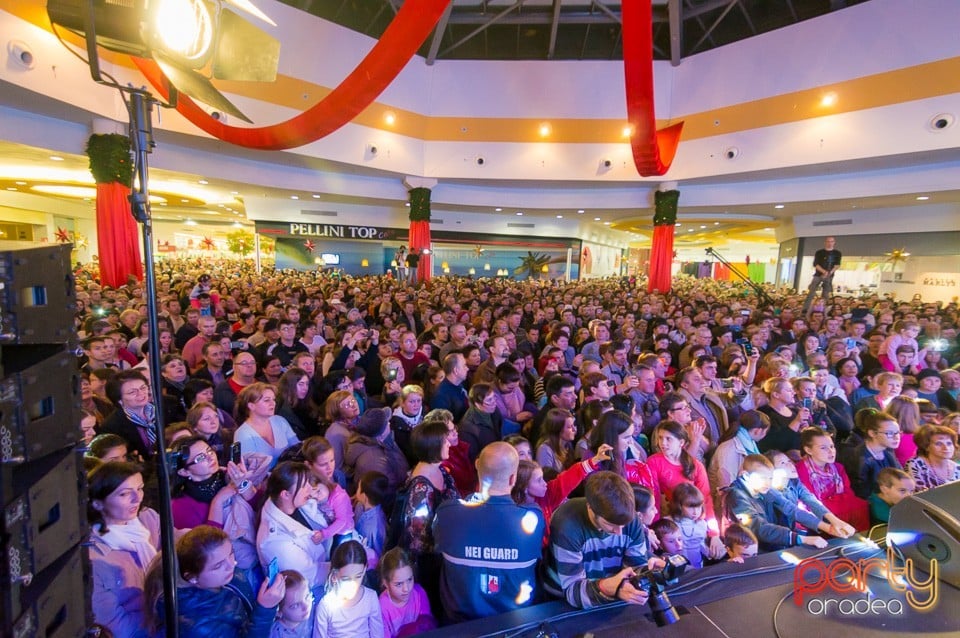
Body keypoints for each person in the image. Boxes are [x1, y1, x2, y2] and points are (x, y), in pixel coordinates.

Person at [433, 441, 545, 621]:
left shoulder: (447, 513)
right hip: (515, 624)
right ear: (512, 479)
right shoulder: (534, 518)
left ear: (478, 469)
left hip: (458, 625)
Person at [543, 471, 663, 608]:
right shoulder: (566, 524)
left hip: (612, 593)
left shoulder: (630, 518)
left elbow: (635, 567)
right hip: (561, 603)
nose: (619, 533)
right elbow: (572, 592)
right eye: (611, 524)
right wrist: (608, 588)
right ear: (590, 508)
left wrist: (652, 573)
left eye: (624, 525)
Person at [161, 525, 284, 638]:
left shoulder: (225, 577)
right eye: (218, 565)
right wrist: (265, 610)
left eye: (231, 554)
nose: (232, 564)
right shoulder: (198, 626)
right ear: (192, 577)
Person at [88, 461, 159, 638]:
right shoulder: (94, 556)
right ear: (98, 503)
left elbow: (179, 544)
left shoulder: (146, 518)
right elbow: (114, 625)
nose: (138, 498)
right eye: (125, 494)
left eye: (140, 488)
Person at [723, 454, 830, 552]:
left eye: (770, 478)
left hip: (772, 546)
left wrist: (827, 526)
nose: (768, 483)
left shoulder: (765, 488)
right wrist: (801, 539)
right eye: (762, 478)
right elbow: (759, 528)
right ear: (745, 475)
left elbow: (790, 508)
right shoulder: (736, 496)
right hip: (751, 552)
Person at [257, 461, 329, 593]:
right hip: (310, 588)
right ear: (285, 494)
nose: (311, 488)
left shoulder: (287, 503)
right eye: (304, 486)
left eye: (309, 482)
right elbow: (311, 576)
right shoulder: (276, 544)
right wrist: (342, 566)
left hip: (323, 563)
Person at [795, 428, 869, 531]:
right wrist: (835, 500)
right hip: (818, 510)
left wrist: (832, 500)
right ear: (808, 450)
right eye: (823, 448)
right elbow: (810, 502)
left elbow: (848, 493)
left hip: (838, 505)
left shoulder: (838, 467)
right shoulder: (800, 471)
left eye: (832, 446)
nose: (831, 451)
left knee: (860, 504)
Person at [313, 540, 384, 638]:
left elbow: (378, 634)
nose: (353, 584)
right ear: (334, 576)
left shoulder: (370, 598)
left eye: (358, 576)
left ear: (364, 571)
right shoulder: (325, 606)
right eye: (346, 579)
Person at [234, 383, 300, 467]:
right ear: (251, 406)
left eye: (273, 399)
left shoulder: (280, 421)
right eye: (267, 400)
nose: (273, 403)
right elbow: (250, 471)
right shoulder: (242, 434)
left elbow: (298, 449)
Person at [378, 548, 437, 638]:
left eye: (409, 580)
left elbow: (428, 626)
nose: (406, 589)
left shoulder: (419, 593)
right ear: (386, 583)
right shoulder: (381, 608)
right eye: (399, 584)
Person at [905, 425, 960, 492]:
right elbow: (918, 494)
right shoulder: (916, 464)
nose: (946, 448)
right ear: (926, 446)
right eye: (939, 444)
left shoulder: (958, 468)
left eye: (949, 443)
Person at [802, 237, 841, 314]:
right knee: (811, 292)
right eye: (828, 241)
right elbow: (815, 264)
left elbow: (837, 265)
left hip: (829, 275)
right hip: (818, 275)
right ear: (825, 242)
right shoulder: (819, 252)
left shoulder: (837, 253)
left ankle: (823, 309)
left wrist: (829, 273)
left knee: (826, 294)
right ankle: (805, 309)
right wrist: (824, 272)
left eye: (831, 241)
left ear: (834, 242)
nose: (830, 243)